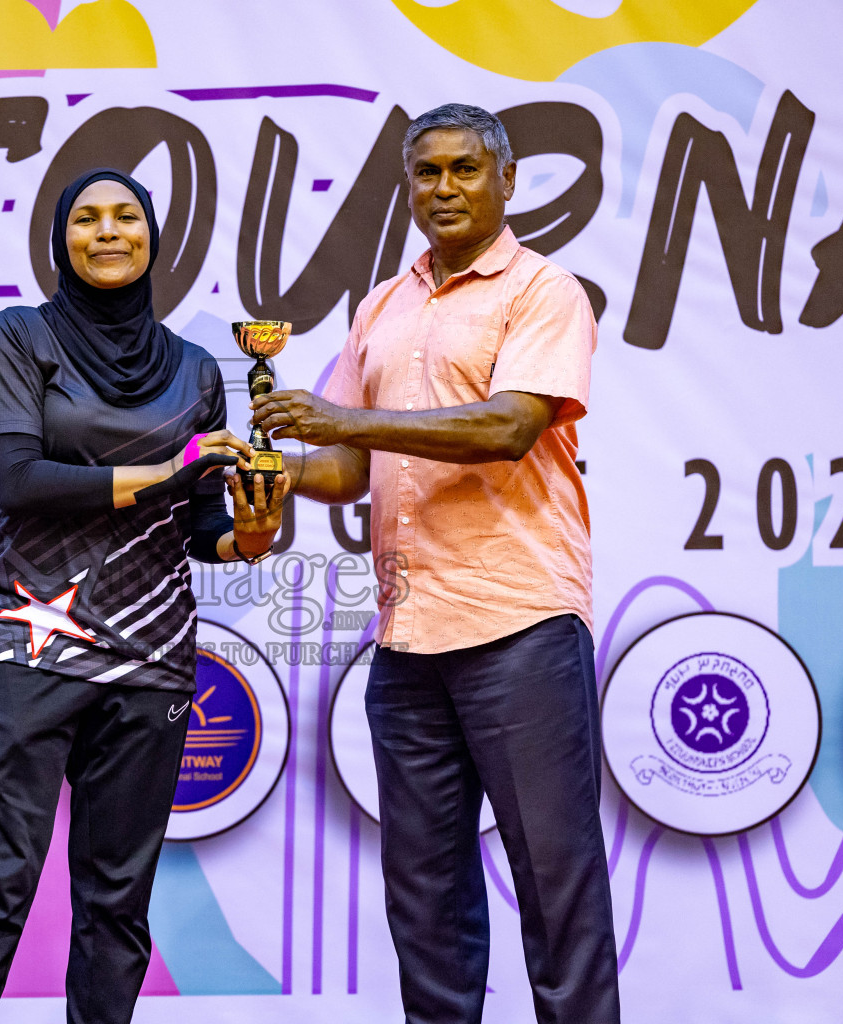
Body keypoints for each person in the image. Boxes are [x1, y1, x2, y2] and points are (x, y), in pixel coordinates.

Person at [246, 104, 619, 1023]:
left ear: (506, 179)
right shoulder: (384, 302)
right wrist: (271, 470)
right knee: (424, 901)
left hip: (518, 626)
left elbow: (508, 426)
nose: (444, 188)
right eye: (426, 173)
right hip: (406, 639)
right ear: (407, 185)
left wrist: (343, 424)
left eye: (464, 169)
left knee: (555, 887)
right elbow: (342, 466)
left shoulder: (542, 290)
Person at [0, 168, 288, 1024]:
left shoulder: (198, 370)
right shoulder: (16, 339)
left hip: (152, 660)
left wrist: (253, 533)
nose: (108, 232)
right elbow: (16, 480)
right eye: (86, 218)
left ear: (154, 235)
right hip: (27, 649)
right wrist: (165, 468)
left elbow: (200, 528)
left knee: (117, 903)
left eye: (127, 216)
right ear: (60, 238)